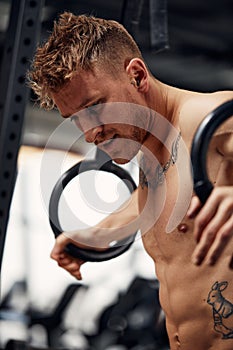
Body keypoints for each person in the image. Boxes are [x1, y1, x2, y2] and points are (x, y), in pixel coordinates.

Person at [28, 12, 233, 350]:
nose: (90, 133)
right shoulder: (152, 151)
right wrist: (98, 233)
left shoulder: (204, 119)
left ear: (137, 75)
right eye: (75, 119)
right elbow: (154, 197)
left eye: (95, 107)